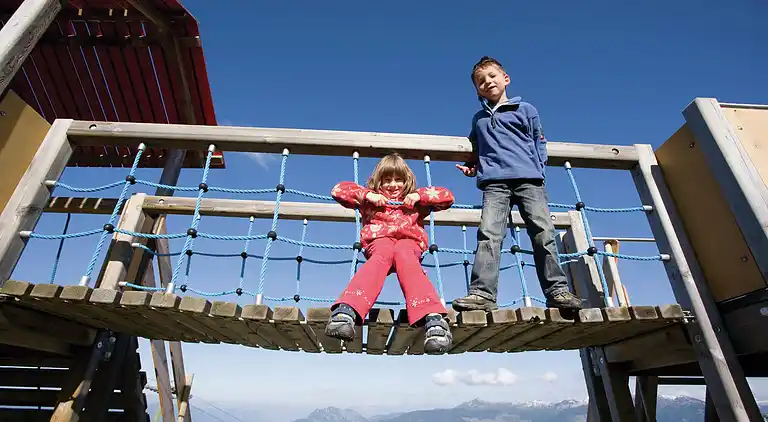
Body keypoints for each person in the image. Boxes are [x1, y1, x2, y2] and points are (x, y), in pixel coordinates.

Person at [451, 56, 582, 313]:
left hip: (529, 180)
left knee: (543, 232)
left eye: (492, 76)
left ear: (505, 79)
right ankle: (482, 294)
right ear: (477, 90)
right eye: (480, 81)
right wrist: (473, 165)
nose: (487, 82)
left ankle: (557, 290)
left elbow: (538, 141)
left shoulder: (526, 110)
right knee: (489, 234)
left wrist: (538, 169)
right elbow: (476, 149)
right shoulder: (478, 119)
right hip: (494, 183)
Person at [325, 153, 456, 354]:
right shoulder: (371, 199)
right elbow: (338, 190)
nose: (393, 185)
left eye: (398, 180)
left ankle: (433, 319)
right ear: (378, 182)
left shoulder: (414, 201)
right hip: (379, 244)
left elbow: (447, 197)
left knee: (405, 254)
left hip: (408, 244)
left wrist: (420, 196)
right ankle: (347, 310)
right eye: (387, 180)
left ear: (407, 182)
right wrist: (367, 195)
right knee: (382, 254)